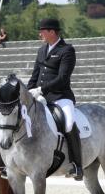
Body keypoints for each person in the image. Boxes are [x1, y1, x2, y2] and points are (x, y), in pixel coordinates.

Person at [28, 18, 82, 180]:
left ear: (52, 32)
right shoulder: (41, 50)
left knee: (68, 122)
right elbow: (35, 75)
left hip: (60, 97)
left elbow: (63, 78)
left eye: (43, 31)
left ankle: (76, 165)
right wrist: (27, 91)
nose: (40, 34)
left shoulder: (67, 50)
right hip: (40, 97)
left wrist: (41, 89)